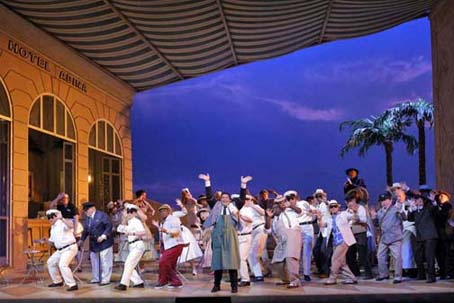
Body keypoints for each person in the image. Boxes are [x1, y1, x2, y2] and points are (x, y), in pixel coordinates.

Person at [199, 173, 243, 293]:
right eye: (222, 197)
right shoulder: (216, 206)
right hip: (218, 236)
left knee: (231, 261)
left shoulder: (234, 207)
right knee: (217, 261)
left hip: (230, 236)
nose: (224, 199)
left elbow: (242, 199)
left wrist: (243, 184)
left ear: (230, 199)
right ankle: (216, 285)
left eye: (226, 198)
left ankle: (234, 286)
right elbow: (209, 197)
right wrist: (207, 182)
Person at [266, 192, 302, 289]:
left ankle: (295, 281)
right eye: (278, 204)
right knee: (277, 261)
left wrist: (290, 205)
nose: (280, 205)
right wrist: (268, 218)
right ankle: (286, 279)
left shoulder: (291, 211)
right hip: (281, 241)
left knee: (291, 258)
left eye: (282, 203)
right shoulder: (275, 219)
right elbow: (267, 230)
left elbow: (300, 211)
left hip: (292, 236)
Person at [371, 192, 406, 284]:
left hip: (395, 238)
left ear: (390, 200)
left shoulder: (396, 209)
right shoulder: (379, 212)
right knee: (380, 256)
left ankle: (398, 276)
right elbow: (377, 225)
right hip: (384, 238)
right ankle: (383, 274)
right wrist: (374, 218)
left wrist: (401, 211)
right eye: (382, 201)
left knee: (397, 257)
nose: (383, 202)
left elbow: (404, 218)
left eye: (385, 200)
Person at [324, 194, 358, 285]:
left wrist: (355, 211)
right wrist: (319, 217)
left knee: (335, 259)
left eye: (335, 206)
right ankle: (351, 277)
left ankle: (332, 278)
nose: (333, 208)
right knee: (341, 262)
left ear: (338, 207)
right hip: (335, 242)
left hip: (343, 240)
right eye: (331, 207)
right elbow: (322, 225)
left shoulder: (343, 214)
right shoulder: (329, 219)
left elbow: (353, 217)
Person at [78, 201, 114, 285]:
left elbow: (109, 226)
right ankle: (96, 278)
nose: (85, 212)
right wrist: (82, 240)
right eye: (85, 210)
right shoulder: (88, 218)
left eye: (87, 210)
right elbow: (86, 230)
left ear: (92, 208)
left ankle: (105, 279)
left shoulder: (102, 215)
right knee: (94, 260)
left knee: (105, 261)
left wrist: (103, 236)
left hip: (105, 242)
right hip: (94, 243)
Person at [407, 193, 439, 283]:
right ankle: (421, 275)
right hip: (420, 236)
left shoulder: (428, 209)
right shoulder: (415, 211)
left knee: (429, 256)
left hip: (430, 236)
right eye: (417, 200)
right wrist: (411, 209)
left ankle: (431, 276)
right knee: (417, 255)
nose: (419, 202)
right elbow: (409, 219)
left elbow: (435, 208)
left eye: (421, 200)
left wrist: (433, 201)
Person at [115, 204, 147, 291]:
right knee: (130, 265)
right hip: (132, 245)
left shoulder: (135, 221)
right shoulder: (129, 222)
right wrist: (124, 219)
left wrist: (132, 234)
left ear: (134, 213)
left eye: (129, 212)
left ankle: (124, 284)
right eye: (127, 212)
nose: (128, 214)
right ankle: (138, 282)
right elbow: (119, 229)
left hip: (137, 245)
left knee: (128, 263)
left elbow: (143, 232)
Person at [152, 204, 185, 289]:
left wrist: (165, 230)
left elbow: (176, 231)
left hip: (175, 245)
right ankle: (172, 282)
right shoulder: (165, 221)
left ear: (169, 211)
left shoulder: (173, 219)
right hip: (168, 246)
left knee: (163, 262)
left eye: (164, 211)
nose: (162, 213)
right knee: (169, 265)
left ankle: (166, 281)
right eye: (161, 211)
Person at [46, 209, 78, 291]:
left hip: (69, 248)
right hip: (60, 250)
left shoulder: (62, 223)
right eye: (48, 218)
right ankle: (57, 281)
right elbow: (52, 242)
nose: (49, 220)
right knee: (50, 262)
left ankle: (72, 284)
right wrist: (44, 241)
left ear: (55, 217)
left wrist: (62, 218)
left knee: (62, 264)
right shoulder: (53, 228)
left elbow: (71, 225)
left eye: (51, 218)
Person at [391, 182, 417, 278]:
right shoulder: (394, 205)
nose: (396, 192)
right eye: (394, 191)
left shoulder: (410, 201)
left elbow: (408, 217)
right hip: (398, 230)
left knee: (407, 248)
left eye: (398, 189)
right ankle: (401, 269)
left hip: (409, 228)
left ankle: (410, 269)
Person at [346, 190, 373, 280]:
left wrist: (355, 214)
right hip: (351, 233)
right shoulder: (348, 210)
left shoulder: (360, 208)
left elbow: (364, 220)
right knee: (350, 253)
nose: (349, 203)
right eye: (348, 201)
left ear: (354, 200)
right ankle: (355, 272)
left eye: (351, 201)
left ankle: (368, 273)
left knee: (362, 253)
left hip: (360, 232)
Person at [173, 199, 203, 276]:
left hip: (183, 232)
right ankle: (174, 268)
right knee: (175, 251)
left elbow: (184, 212)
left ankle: (194, 268)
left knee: (189, 250)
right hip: (174, 234)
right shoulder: (165, 220)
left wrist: (181, 205)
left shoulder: (174, 214)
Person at [434, 190, 452, 280]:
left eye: (443, 196)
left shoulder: (447, 206)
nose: (441, 198)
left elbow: (442, 216)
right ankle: (442, 272)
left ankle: (447, 272)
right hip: (439, 235)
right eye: (440, 196)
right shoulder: (438, 206)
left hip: (446, 234)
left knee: (446, 254)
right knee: (439, 255)